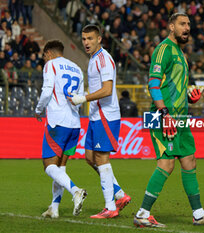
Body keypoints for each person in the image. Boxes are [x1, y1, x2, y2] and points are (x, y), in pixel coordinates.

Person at [133, 13, 204, 228]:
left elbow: (175, 87)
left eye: (189, 24)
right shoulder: (164, 49)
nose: (187, 28)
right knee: (166, 164)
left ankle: (199, 214)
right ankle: (142, 213)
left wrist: (189, 97)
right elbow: (153, 85)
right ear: (171, 26)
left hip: (180, 118)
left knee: (189, 160)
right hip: (163, 117)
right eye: (182, 24)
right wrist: (164, 114)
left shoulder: (182, 55)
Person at [69, 24, 131, 219]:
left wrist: (83, 98)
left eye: (90, 39)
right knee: (89, 157)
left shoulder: (104, 59)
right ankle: (119, 194)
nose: (86, 42)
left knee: (102, 159)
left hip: (106, 115)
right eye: (84, 38)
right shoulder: (94, 59)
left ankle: (110, 206)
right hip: (96, 115)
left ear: (99, 39)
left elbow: (107, 90)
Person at [35, 40, 87, 218]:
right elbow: (79, 97)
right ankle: (54, 208)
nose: (44, 59)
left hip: (58, 121)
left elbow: (47, 90)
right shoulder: (77, 69)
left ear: (48, 53)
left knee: (49, 166)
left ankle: (75, 191)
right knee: (60, 167)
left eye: (43, 56)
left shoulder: (51, 65)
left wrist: (38, 110)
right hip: (74, 123)